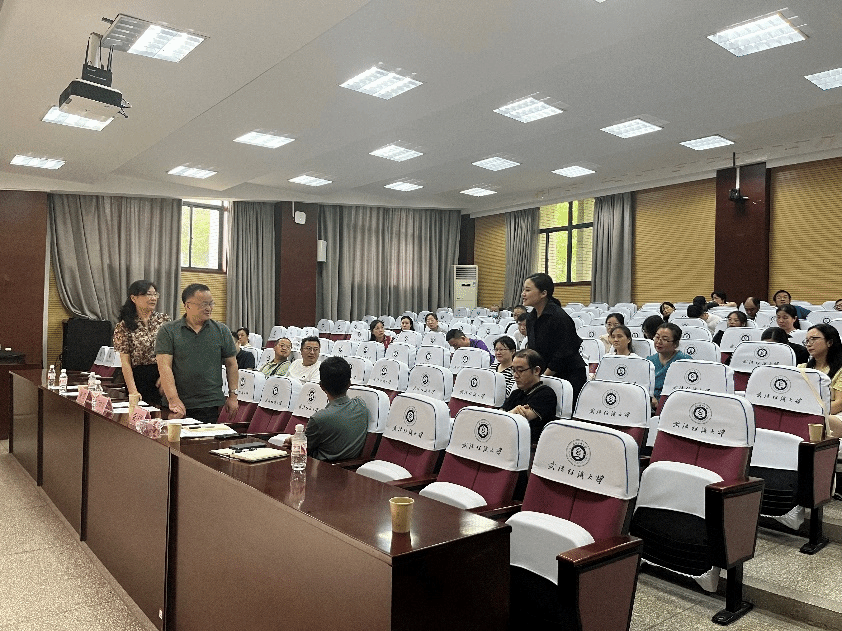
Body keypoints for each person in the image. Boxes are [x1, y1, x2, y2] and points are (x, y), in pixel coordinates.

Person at [155, 283, 238, 423]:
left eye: (211, 303)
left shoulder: (221, 330)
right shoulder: (169, 331)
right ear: (188, 305)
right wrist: (173, 399)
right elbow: (164, 366)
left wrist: (233, 395)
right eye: (204, 304)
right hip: (177, 403)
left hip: (209, 403)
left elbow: (232, 364)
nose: (209, 308)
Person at [282, 357, 369, 461]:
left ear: (321, 386)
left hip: (319, 467)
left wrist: (293, 440)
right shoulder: (361, 405)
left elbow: (303, 447)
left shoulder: (319, 418)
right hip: (349, 468)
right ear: (349, 384)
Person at [521, 273, 586, 400]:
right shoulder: (531, 318)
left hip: (568, 377)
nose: (523, 294)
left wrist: (544, 378)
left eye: (528, 290)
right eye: (524, 290)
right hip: (545, 375)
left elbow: (565, 352)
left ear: (543, 293)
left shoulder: (559, 317)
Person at [113, 280, 171, 407]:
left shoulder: (164, 320)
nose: (153, 298)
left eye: (155, 294)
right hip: (138, 377)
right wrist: (133, 391)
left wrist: (165, 376)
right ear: (134, 298)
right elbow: (125, 362)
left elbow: (173, 351)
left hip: (162, 375)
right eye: (148, 294)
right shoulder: (124, 325)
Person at [501, 349, 557, 439]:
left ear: (536, 371)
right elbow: (499, 417)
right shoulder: (516, 393)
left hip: (530, 443)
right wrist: (513, 412)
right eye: (513, 370)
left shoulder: (546, 394)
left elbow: (519, 420)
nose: (515, 375)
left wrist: (511, 414)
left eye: (520, 370)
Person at [800, 324, 842, 438]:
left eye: (813, 339)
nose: (809, 344)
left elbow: (839, 403)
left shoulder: (840, 369)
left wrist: (813, 412)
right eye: (807, 341)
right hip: (806, 411)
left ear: (829, 342)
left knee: (817, 422)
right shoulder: (801, 368)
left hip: (835, 414)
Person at [647, 323, 691, 406]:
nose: (659, 342)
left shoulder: (684, 362)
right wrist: (650, 398)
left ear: (675, 344)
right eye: (657, 337)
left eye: (665, 339)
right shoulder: (649, 361)